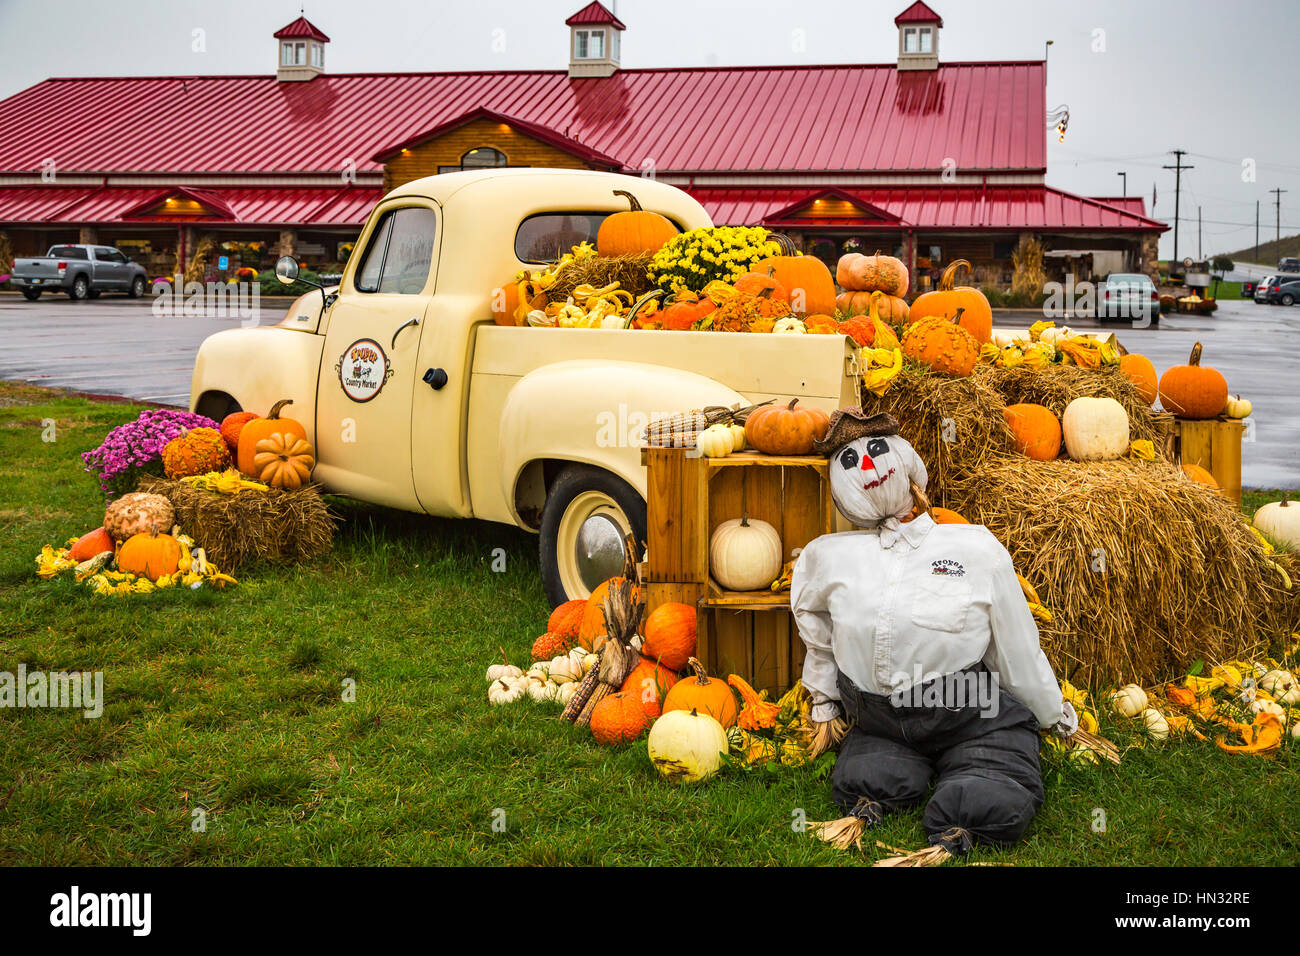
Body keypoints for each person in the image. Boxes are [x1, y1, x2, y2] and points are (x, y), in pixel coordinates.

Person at [792, 407, 1077, 861]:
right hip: (911, 710)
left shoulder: (971, 546)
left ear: (907, 463)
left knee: (958, 776)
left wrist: (1048, 709)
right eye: (849, 461)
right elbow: (816, 629)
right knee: (893, 769)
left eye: (877, 452)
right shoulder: (826, 556)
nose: (866, 466)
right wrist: (825, 699)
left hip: (920, 710)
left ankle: (929, 800)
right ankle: (900, 797)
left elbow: (1014, 645)